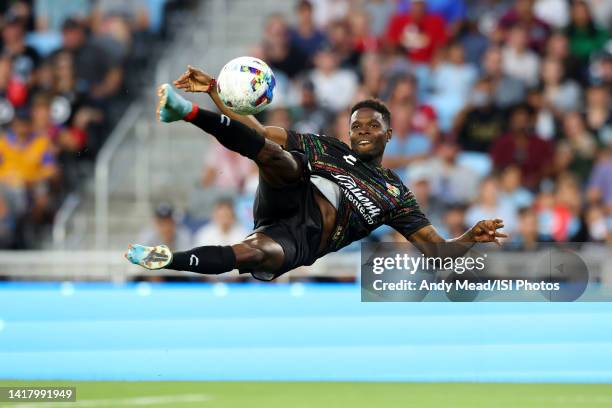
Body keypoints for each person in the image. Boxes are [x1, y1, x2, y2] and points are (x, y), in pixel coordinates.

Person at [125, 66, 506, 281]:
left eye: (372, 127)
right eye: (356, 126)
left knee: (253, 254)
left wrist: (470, 237)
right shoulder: (327, 147)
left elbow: (438, 253)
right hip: (288, 197)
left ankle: (168, 259)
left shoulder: (395, 194)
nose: (361, 132)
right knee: (278, 158)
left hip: (300, 240)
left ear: (389, 134)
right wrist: (211, 90)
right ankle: (184, 113)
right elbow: (256, 132)